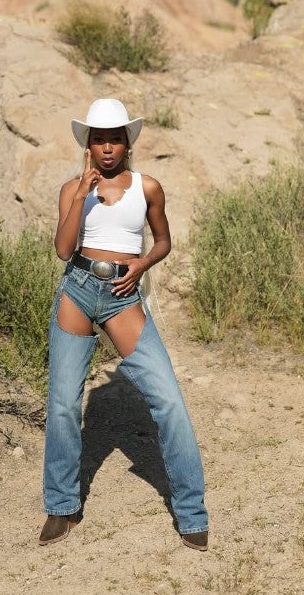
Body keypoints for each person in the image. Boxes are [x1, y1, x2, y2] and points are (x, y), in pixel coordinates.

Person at [39, 98, 208, 550]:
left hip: (122, 295)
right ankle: (61, 506)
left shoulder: (147, 187)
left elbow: (163, 241)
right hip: (77, 289)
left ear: (127, 142)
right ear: (89, 145)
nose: (108, 147)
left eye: (115, 139)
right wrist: (81, 194)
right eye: (100, 140)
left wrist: (142, 264)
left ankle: (191, 511)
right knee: (62, 405)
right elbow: (63, 249)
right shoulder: (71, 189)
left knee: (169, 400)